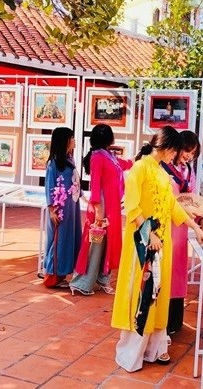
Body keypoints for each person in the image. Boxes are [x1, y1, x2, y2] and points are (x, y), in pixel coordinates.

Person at [111, 126, 203, 372]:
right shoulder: (138, 170)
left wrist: (195, 227)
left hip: (161, 243)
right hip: (143, 244)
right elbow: (133, 208)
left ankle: (154, 348)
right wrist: (151, 234)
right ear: (167, 147)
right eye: (175, 151)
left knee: (157, 293)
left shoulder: (159, 172)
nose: (176, 157)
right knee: (142, 294)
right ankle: (131, 352)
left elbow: (172, 207)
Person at [160, 130, 203, 335]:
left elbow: (193, 199)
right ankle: (160, 321)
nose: (189, 156)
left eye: (193, 153)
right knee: (164, 270)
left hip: (183, 228)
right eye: (186, 151)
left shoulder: (188, 171)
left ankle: (174, 321)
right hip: (166, 226)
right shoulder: (162, 168)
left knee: (178, 272)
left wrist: (202, 221)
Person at [70, 124, 133, 296]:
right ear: (108, 138)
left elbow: (126, 164)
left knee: (108, 242)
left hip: (111, 205)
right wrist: (98, 210)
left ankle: (102, 278)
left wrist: (140, 158)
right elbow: (95, 184)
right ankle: (82, 282)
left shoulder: (108, 155)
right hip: (102, 204)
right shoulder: (97, 157)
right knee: (95, 242)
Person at [43, 127, 81, 288]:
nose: (73, 140)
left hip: (71, 207)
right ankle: (52, 276)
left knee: (68, 239)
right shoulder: (53, 164)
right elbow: (49, 186)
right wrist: (52, 209)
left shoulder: (69, 159)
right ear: (64, 141)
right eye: (71, 138)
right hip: (60, 209)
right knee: (58, 240)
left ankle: (62, 274)